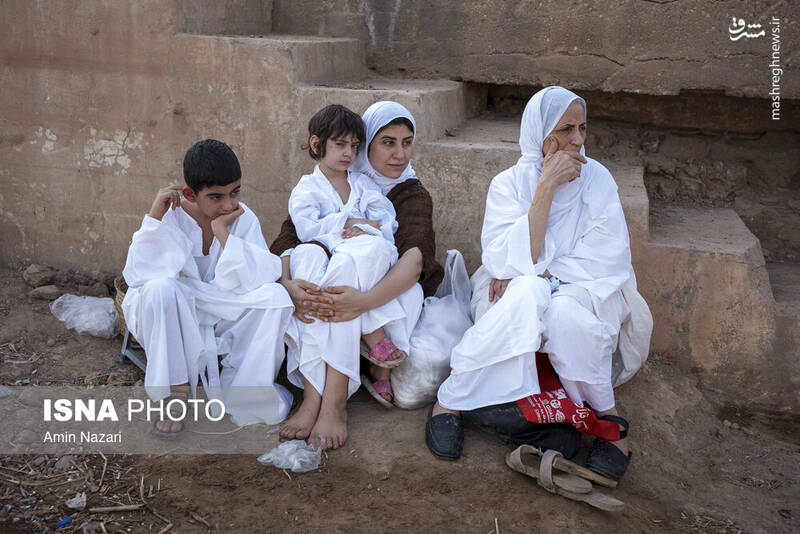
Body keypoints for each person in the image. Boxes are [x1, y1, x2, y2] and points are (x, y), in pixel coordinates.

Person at [427, 87, 653, 481]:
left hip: (586, 288)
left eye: (582, 128)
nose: (578, 140)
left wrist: (544, 274)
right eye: (566, 129)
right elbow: (503, 259)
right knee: (527, 292)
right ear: (540, 133)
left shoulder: (597, 179)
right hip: (517, 292)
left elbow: (606, 258)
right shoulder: (508, 184)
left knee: (563, 312)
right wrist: (546, 187)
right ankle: (449, 401)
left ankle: (608, 420)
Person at [273, 101, 444, 450]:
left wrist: (362, 303)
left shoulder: (409, 193)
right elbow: (290, 238)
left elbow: (412, 261)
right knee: (315, 266)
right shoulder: (319, 185)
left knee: (350, 268)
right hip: (336, 284)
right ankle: (321, 393)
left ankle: (328, 399)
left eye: (407, 142)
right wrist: (288, 285)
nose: (399, 154)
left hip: (386, 288)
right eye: (387, 142)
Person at [122, 139, 294, 437]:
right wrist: (153, 217)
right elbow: (137, 273)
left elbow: (261, 276)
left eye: (235, 192)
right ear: (190, 193)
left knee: (275, 298)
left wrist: (223, 234)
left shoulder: (241, 216)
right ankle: (175, 390)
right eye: (216, 197)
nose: (229, 204)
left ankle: (244, 391)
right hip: (175, 308)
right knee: (161, 288)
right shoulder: (169, 214)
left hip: (219, 306)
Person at [284, 104, 410, 424]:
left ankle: (324, 401)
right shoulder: (306, 189)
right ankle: (371, 330)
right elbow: (307, 230)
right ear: (317, 145)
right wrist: (348, 221)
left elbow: (384, 220)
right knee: (316, 259)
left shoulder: (363, 184)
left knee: (369, 249)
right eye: (340, 144)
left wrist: (363, 227)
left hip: (354, 262)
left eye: (354, 146)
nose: (348, 153)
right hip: (327, 263)